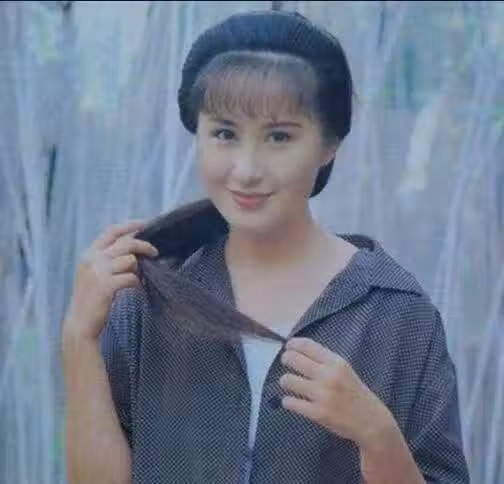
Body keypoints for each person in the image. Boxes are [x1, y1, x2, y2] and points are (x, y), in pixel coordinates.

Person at [61, 10, 470, 484]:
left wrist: (378, 436)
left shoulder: (398, 314)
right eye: (224, 134)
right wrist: (78, 340)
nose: (247, 169)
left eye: (279, 137)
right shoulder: (146, 291)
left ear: (330, 144)